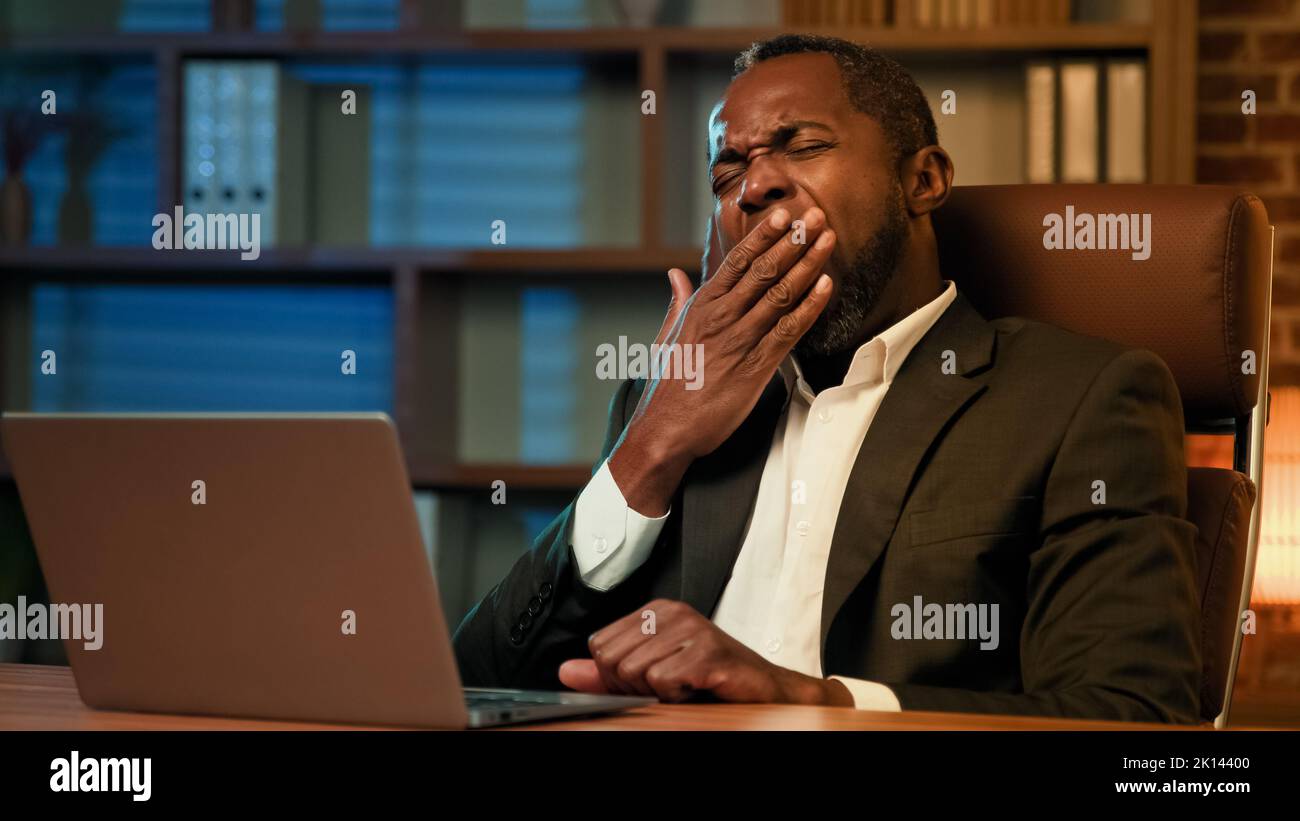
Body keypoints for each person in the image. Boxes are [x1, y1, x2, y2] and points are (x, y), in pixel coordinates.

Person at [452, 34, 1201, 723]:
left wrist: (814, 697)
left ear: (925, 179)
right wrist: (650, 445)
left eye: (801, 145)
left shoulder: (1084, 399)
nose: (755, 188)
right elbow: (474, 681)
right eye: (728, 169)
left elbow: (1131, 720)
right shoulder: (665, 408)